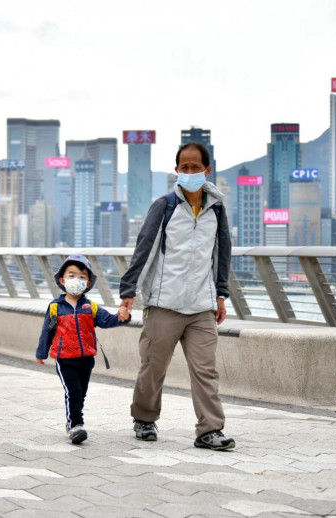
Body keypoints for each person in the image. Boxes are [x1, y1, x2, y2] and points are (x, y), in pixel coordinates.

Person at [118, 142, 235, 450]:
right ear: (177, 171)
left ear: (207, 170)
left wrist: (221, 295)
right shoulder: (165, 206)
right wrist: (128, 292)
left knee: (205, 370)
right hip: (164, 304)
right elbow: (144, 247)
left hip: (201, 307)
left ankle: (209, 430)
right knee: (153, 367)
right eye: (184, 167)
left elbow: (222, 253)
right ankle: (144, 419)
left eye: (196, 167)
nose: (190, 172)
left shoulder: (217, 209)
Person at [36, 254, 131, 444]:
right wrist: (42, 352)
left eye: (82, 276)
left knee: (81, 393)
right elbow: (48, 331)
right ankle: (75, 426)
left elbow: (107, 321)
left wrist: (122, 316)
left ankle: (72, 421)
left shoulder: (91, 307)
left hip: (86, 358)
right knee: (73, 392)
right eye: (71, 275)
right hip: (64, 359)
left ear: (88, 283)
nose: (76, 280)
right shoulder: (55, 307)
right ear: (62, 280)